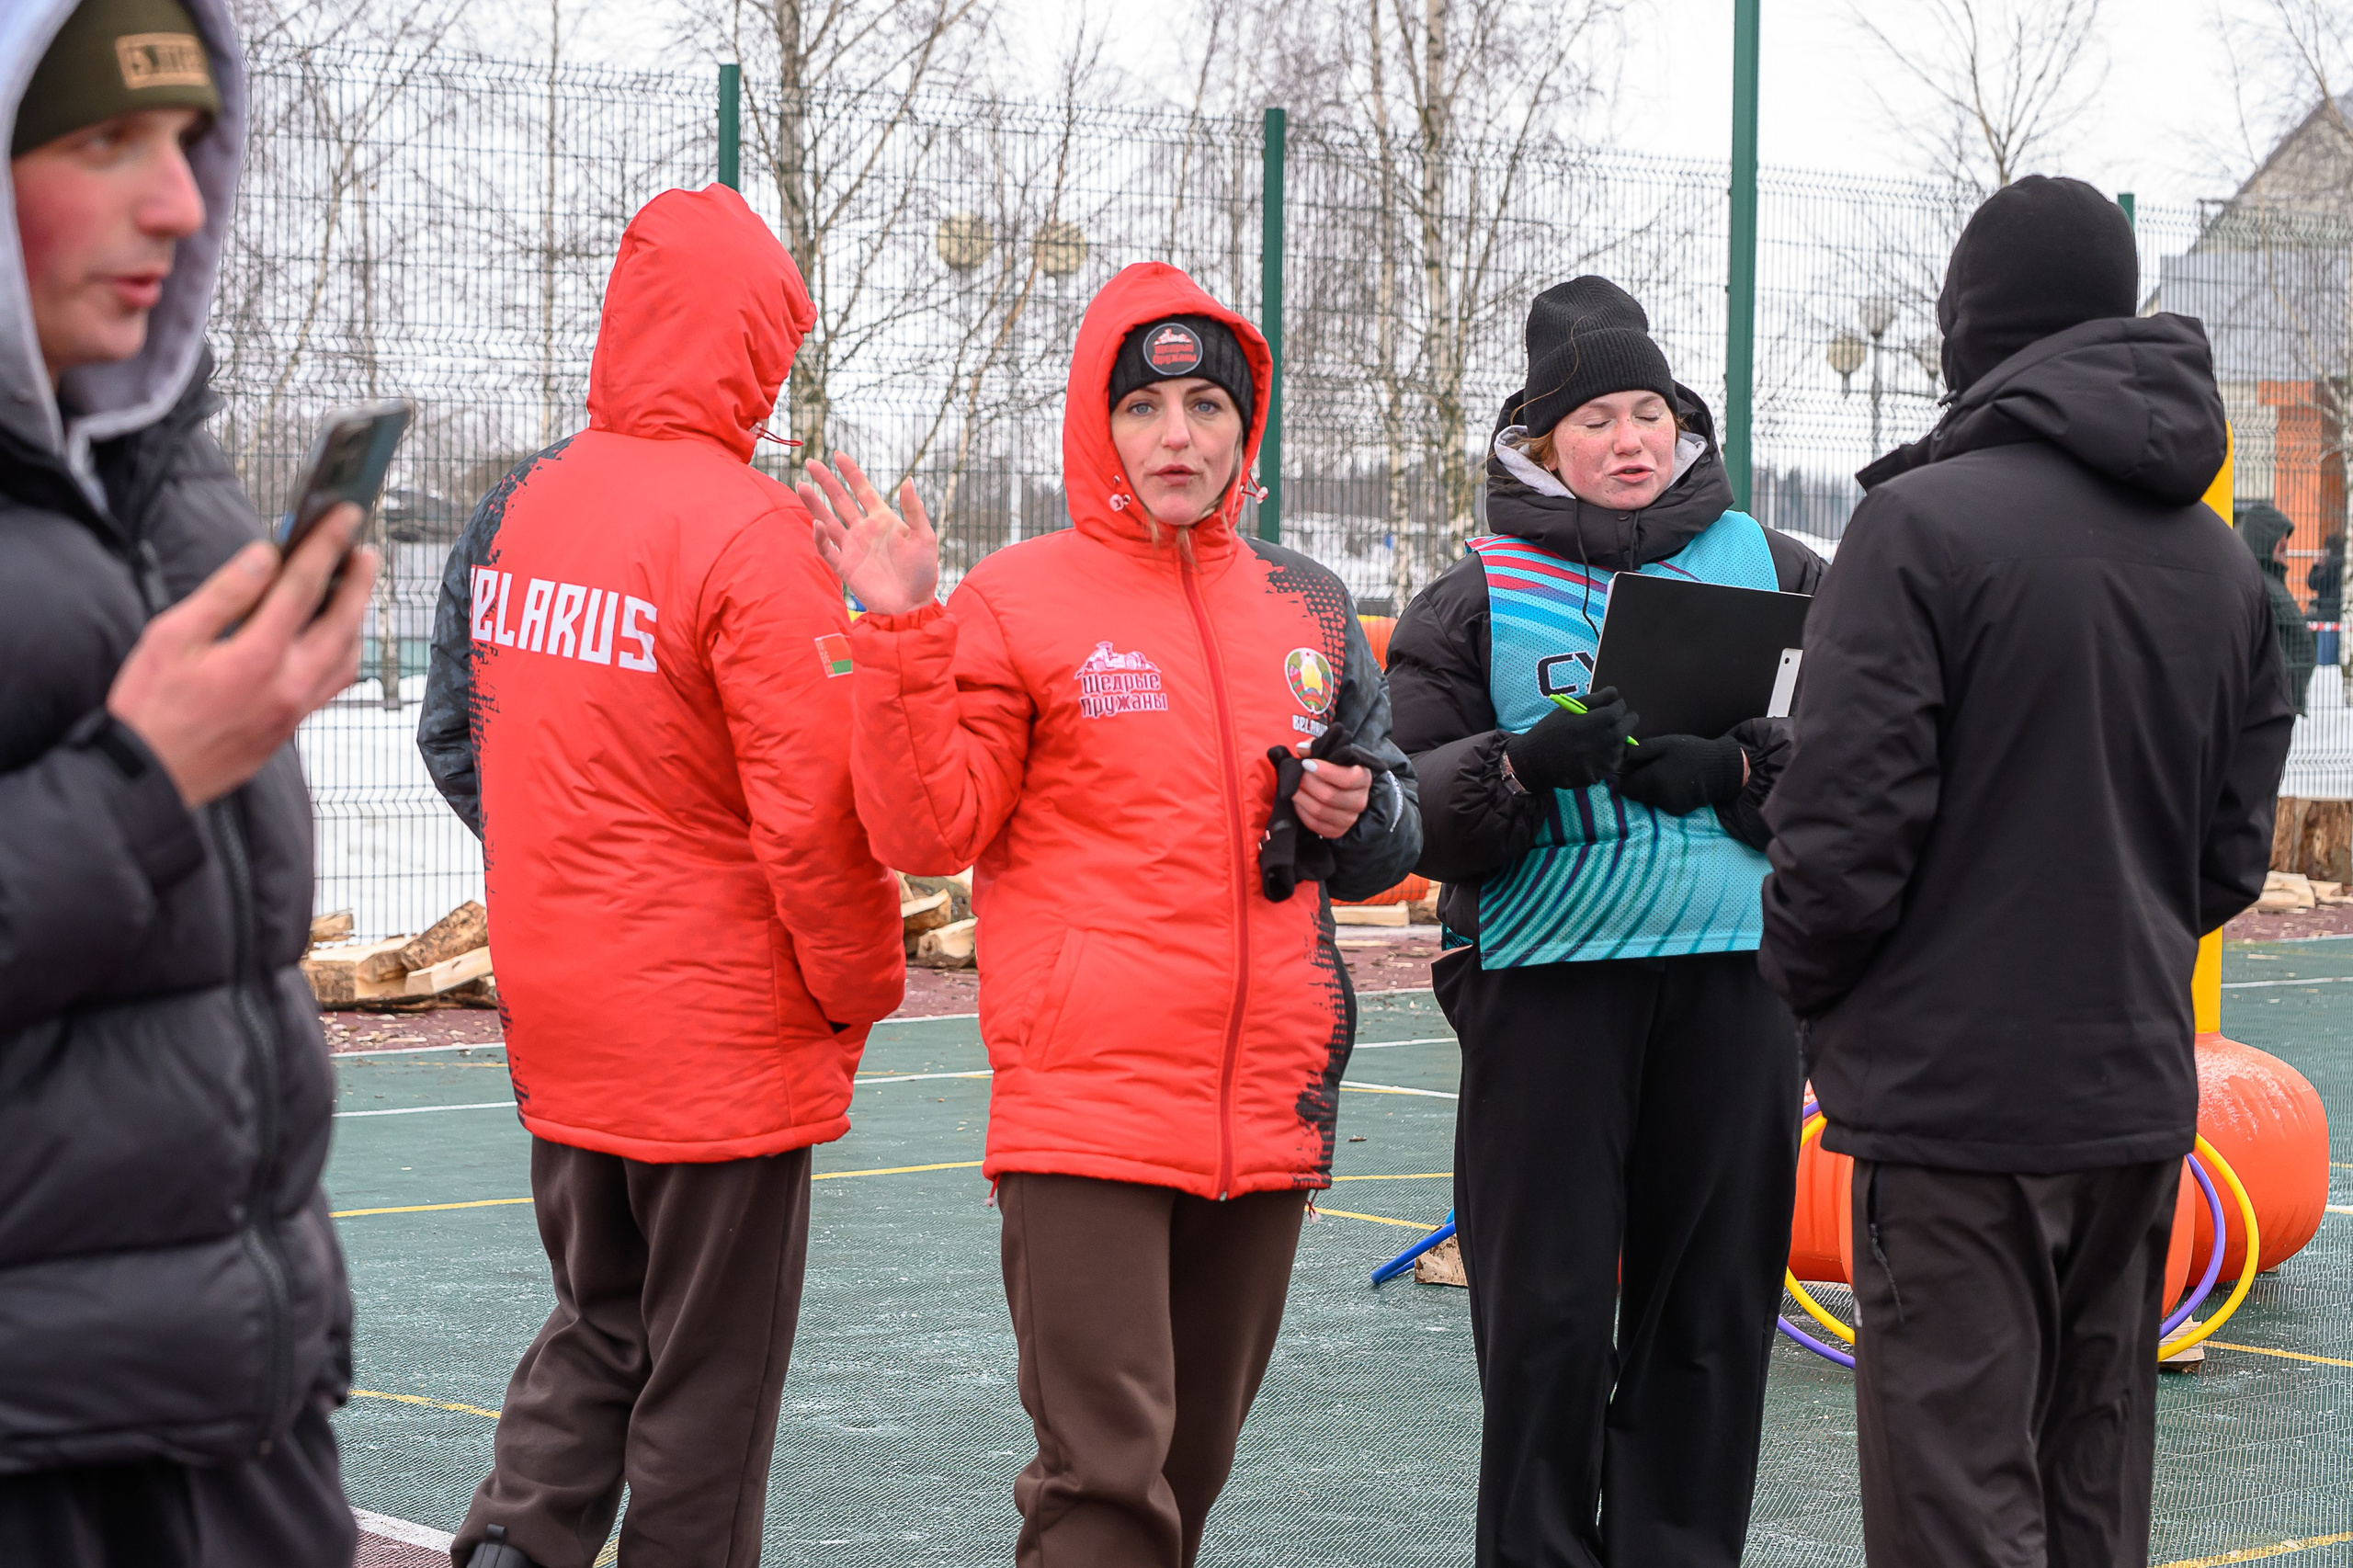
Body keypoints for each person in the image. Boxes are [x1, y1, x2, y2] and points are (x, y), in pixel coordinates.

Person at [799, 261, 1423, 1568]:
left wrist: (1357, 812)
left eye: (1204, 405)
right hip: (1085, 1103)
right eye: (1142, 407)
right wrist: (900, 632)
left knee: (1187, 1473)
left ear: (1245, 428)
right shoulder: (1017, 597)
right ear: (1099, 425)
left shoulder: (1310, 603)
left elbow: (1389, 840)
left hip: (1266, 1106)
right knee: (1106, 1481)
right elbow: (931, 829)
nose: (1175, 434)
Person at [1758, 176, 2295, 1568]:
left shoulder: (1917, 527)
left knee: (1954, 1495)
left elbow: (1841, 838)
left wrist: (1815, 991)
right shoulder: (2220, 564)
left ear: (1971, 324)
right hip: (2132, 1091)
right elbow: (2230, 855)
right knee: (2088, 1484)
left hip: (1952, 1104)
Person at [416, 186, 904, 1568]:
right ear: (752, 344)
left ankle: (512, 1547)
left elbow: (458, 735)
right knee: (709, 1384)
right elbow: (817, 816)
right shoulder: (752, 534)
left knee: (599, 1320)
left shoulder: (522, 506)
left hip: (565, 1008)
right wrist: (858, 987)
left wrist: (568, 876)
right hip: (719, 1035)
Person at [0, 1, 376, 1562]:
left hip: (242, 1408)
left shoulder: (168, 475)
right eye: (105, 142)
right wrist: (143, 778)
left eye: (186, 139)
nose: (176, 200)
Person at [1382, 276, 1824, 1568]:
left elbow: (1864, 758)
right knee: (1549, 1314)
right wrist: (1522, 767)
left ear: (1680, 424)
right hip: (1545, 988)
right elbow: (1411, 811)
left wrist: (1740, 771)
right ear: (1541, 441)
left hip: (1735, 984)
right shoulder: (1469, 597)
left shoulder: (1782, 570)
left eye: (1648, 413)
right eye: (1595, 420)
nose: (1629, 441)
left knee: (1709, 1310)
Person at [2236, 500, 2316, 713]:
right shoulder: (2261, 585)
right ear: (2265, 541)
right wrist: (2285, 674)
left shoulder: (2271, 582)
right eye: (2281, 545)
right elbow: (2267, 642)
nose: (2285, 551)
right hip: (2274, 698)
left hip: (2282, 696)